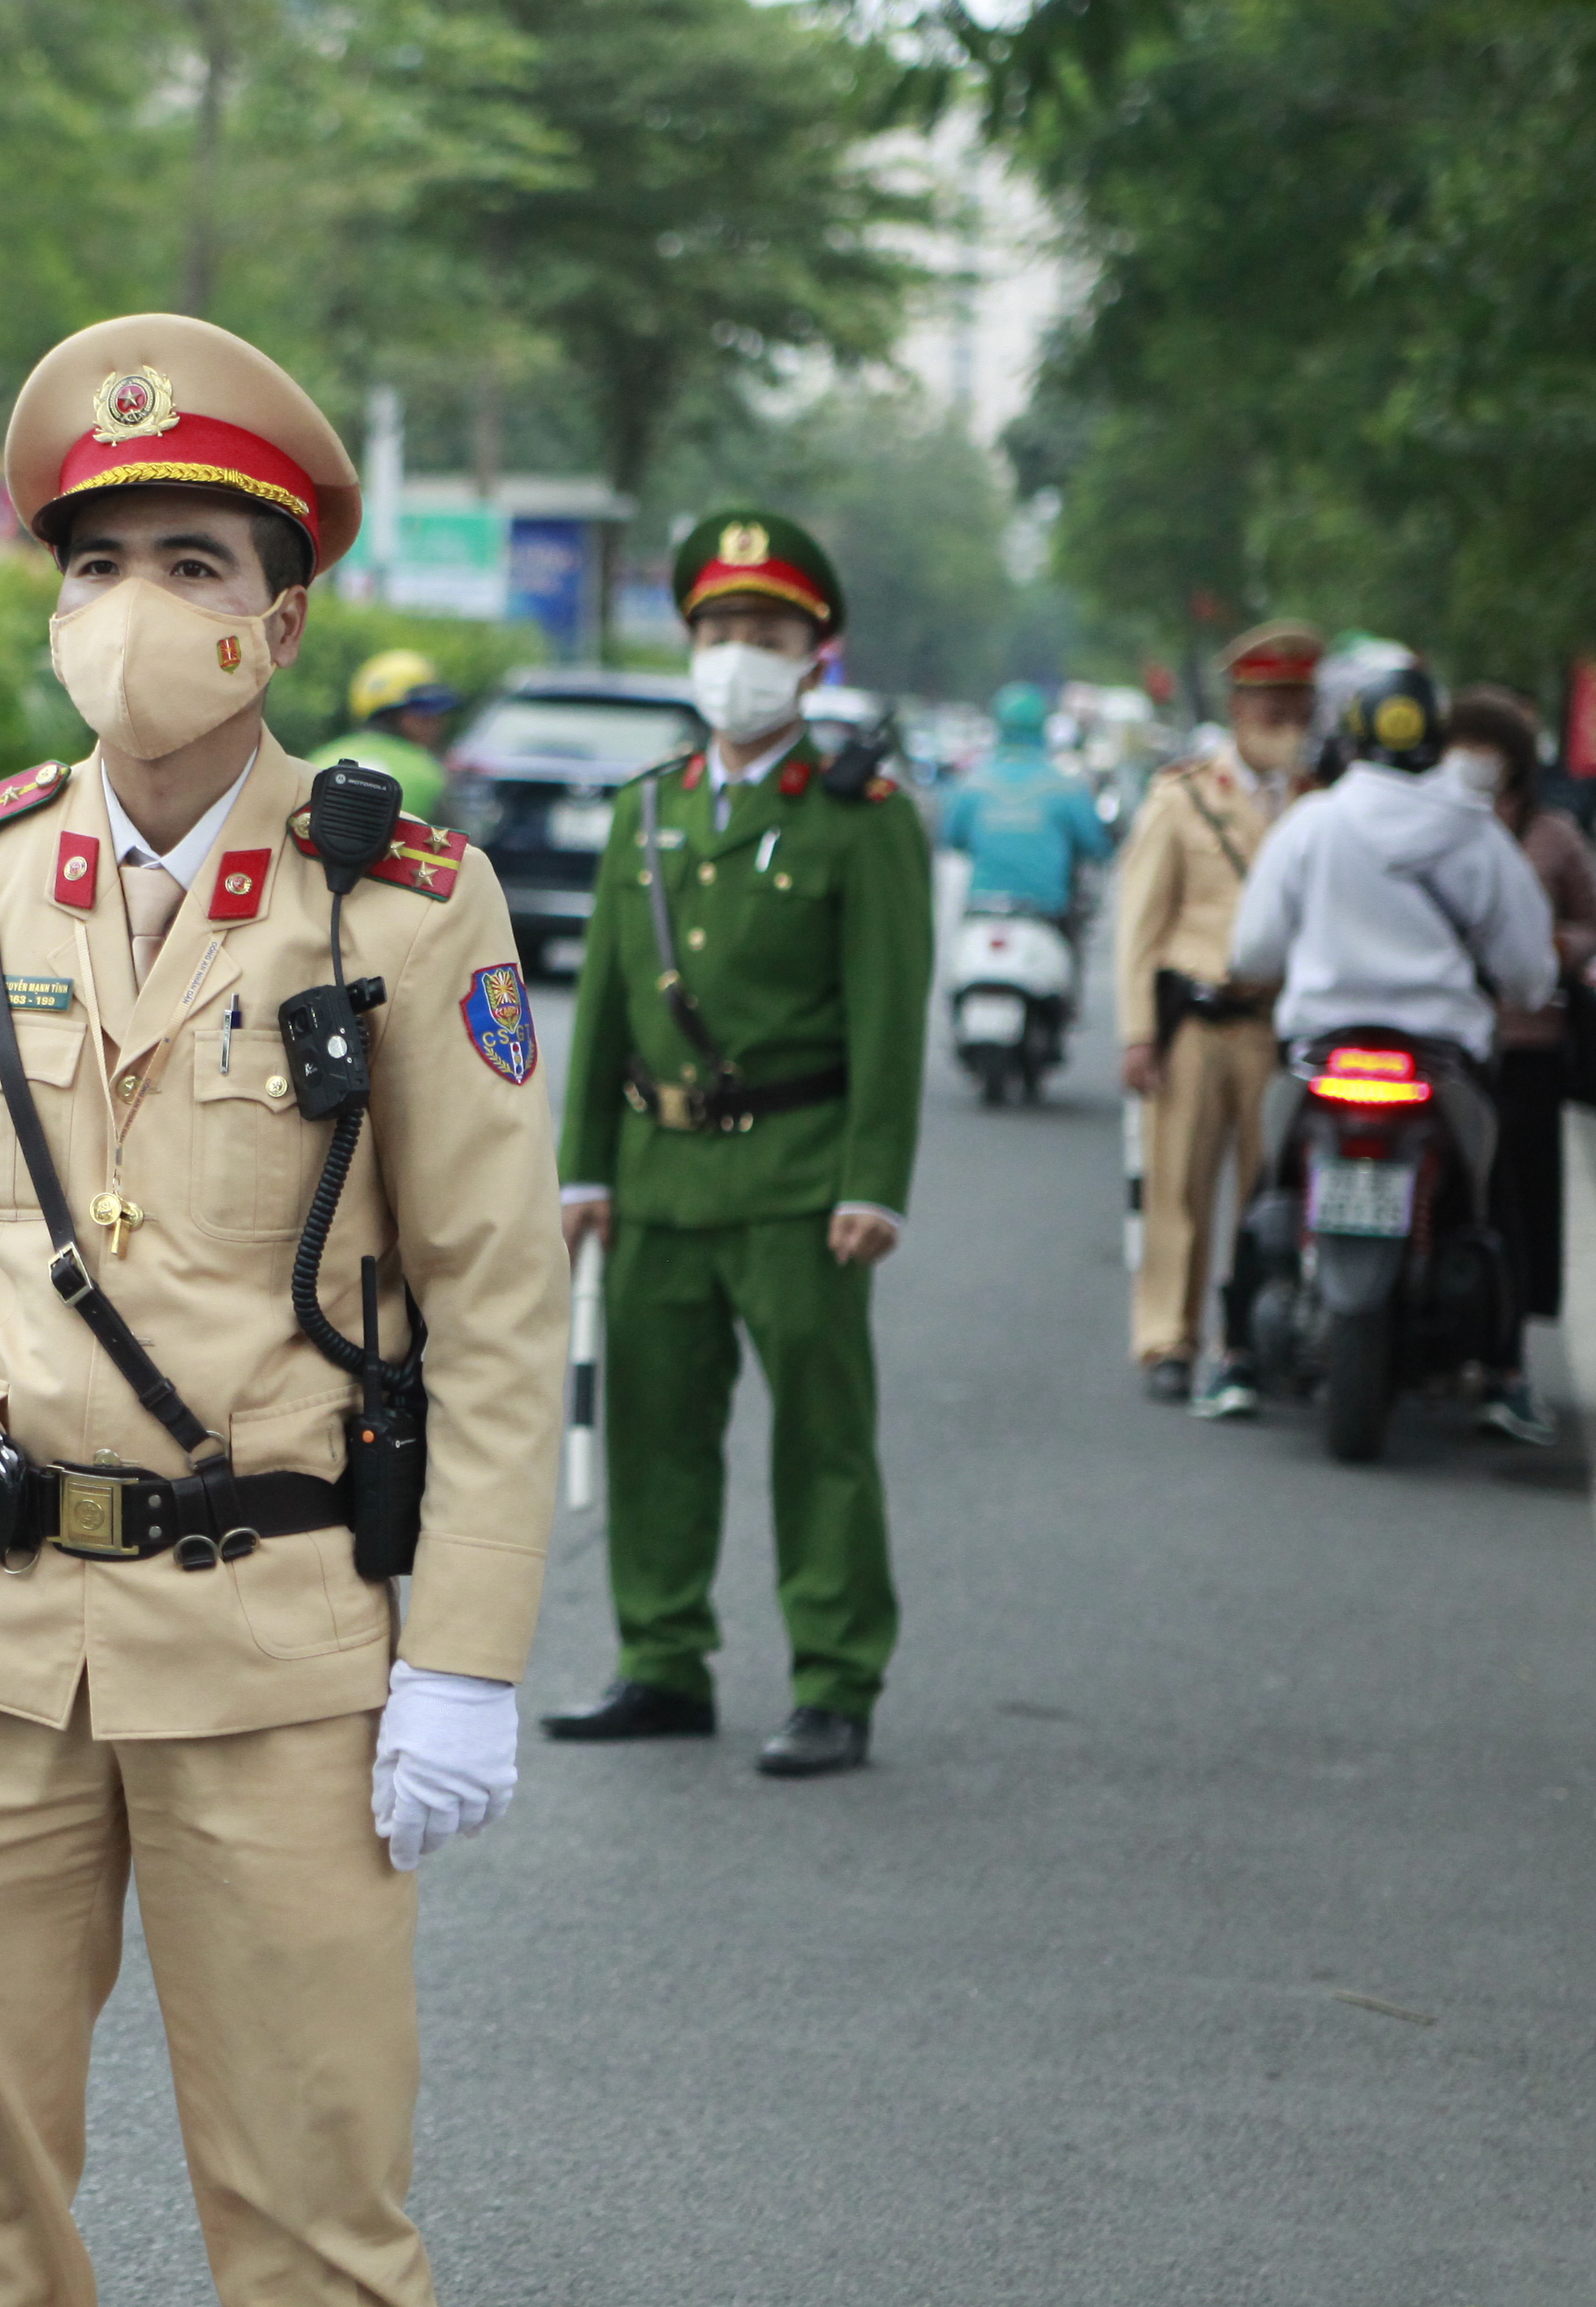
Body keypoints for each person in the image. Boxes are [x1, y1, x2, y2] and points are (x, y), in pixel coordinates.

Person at [0, 313, 569, 2307]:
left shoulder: (402, 906)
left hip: (283, 1657)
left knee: (312, 2218)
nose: (132, 609)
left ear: (279, 624)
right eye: (97, 564)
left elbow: (497, 1304)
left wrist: (465, 1653)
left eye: (193, 565)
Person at [542, 510, 934, 1775]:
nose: (737, 655)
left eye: (766, 633)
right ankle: (661, 1660)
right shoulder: (649, 813)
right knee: (656, 1429)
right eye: (718, 631)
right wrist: (584, 1166)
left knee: (820, 1438)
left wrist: (875, 1182)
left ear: (817, 654)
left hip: (799, 1177)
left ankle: (835, 1678)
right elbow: (603, 1002)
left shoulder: (860, 814)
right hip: (657, 1177)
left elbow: (889, 1012)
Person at [1223, 659, 1559, 1356]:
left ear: (1349, 742)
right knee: (1490, 1201)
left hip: (1322, 1051)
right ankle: (1505, 1375)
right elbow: (1529, 975)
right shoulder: (1478, 835)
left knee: (1269, 1184)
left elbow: (1252, 952)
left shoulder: (1312, 825)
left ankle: (1237, 1360)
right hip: (1441, 1061)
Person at [1114, 623, 1320, 1411]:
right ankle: (1169, 1339)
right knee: (1180, 1191)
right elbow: (1139, 928)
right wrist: (1138, 1033)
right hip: (1197, 1023)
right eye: (1270, 704)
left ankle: (1251, 1340)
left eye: (1297, 705)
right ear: (1238, 707)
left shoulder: (1322, 801)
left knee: (1271, 1197)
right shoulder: (1184, 795)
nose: (1284, 721)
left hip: (1282, 1028)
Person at [1448, 687, 1596, 1446]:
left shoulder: (1551, 836)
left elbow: (1594, 924)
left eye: (1489, 748)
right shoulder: (1427, 828)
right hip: (1446, 1043)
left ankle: (1507, 1365)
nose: (1474, 763)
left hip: (1525, 1050)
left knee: (1518, 1210)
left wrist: (1554, 953)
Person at [940, 682, 1116, 935]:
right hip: (1046, 915)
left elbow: (952, 838)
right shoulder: (1066, 785)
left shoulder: (972, 783)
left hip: (982, 911)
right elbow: (1094, 844)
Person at [308, 648, 462, 821]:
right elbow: (460, 844)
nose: (438, 722)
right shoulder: (429, 775)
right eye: (426, 712)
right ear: (397, 716)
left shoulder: (319, 760)